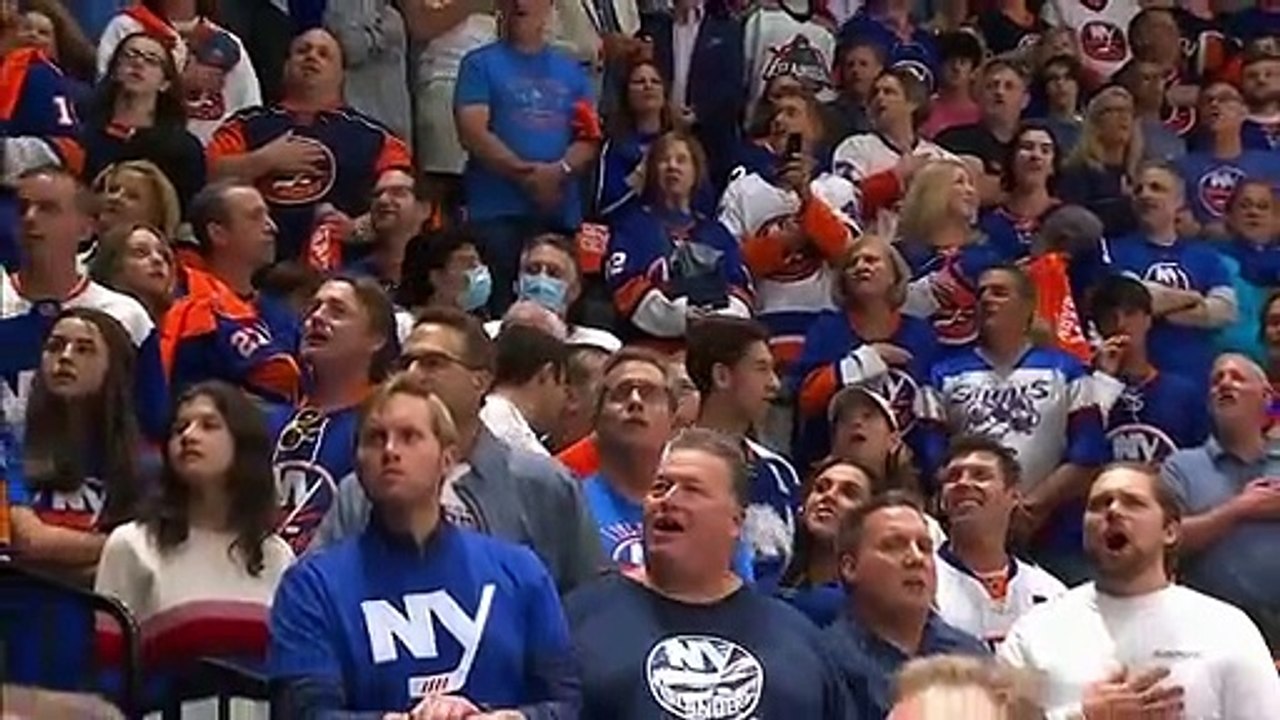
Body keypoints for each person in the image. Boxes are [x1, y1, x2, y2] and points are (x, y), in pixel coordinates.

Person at [267, 372, 579, 717]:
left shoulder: (521, 572)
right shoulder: (311, 586)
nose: (390, 451)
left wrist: (507, 718)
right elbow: (303, 712)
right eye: (375, 438)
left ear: (447, 459)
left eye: (409, 437)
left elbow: (565, 704)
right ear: (358, 462)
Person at [311, 307, 602, 594]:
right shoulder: (362, 487)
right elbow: (318, 586)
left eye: (433, 363)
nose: (413, 374)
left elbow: (591, 599)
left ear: (481, 380)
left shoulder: (543, 484)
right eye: (406, 363)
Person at [566, 428, 852, 719]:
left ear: (736, 521)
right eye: (660, 487)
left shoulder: (798, 640)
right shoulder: (580, 617)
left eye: (692, 490)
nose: (668, 500)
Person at [1000, 463, 1280, 718]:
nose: (1112, 511)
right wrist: (1083, 716)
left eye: (1133, 503)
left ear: (1170, 531)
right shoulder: (1036, 630)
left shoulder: (1226, 628)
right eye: (1098, 505)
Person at [95, 382, 292, 653]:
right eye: (179, 428)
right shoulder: (131, 544)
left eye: (209, 425)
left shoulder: (276, 555)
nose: (189, 436)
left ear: (244, 443)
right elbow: (109, 670)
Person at [824, 491, 989, 719]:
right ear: (850, 568)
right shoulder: (825, 665)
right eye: (893, 545)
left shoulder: (972, 655)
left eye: (924, 547)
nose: (916, 558)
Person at [268, 277, 397, 555]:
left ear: (376, 339)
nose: (316, 318)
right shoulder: (270, 421)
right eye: (314, 308)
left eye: (337, 311)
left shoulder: (388, 425)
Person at [1160, 353, 1280, 648]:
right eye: (1216, 380)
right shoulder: (1180, 466)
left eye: (1237, 378)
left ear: (1267, 397)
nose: (1225, 384)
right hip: (1208, 634)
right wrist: (1238, 510)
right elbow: (1162, 542)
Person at [686, 317, 800, 584]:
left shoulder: (779, 472)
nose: (774, 383)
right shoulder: (667, 465)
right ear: (722, 376)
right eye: (761, 368)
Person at [934, 435, 1068, 650]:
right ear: (942, 500)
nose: (963, 483)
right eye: (953, 476)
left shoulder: (1051, 592)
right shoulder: (923, 583)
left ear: (1014, 496)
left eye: (980, 475)